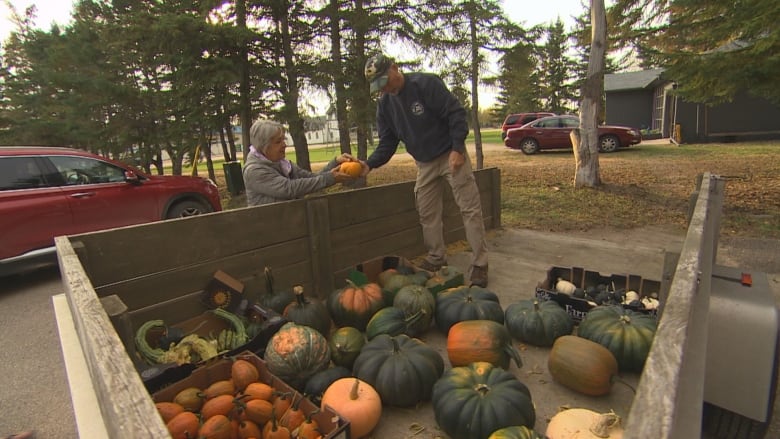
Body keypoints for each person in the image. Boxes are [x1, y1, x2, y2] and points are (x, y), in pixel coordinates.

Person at [361, 53, 489, 287]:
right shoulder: (385, 106)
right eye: (379, 86)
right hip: (425, 163)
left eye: (385, 81)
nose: (385, 88)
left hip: (451, 155)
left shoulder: (426, 84)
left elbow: (456, 114)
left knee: (470, 208)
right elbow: (387, 143)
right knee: (427, 212)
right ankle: (436, 258)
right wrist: (369, 164)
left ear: (395, 68)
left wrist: (458, 148)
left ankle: (480, 264)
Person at [242, 119, 357, 206]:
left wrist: (336, 162)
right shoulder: (254, 171)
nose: (284, 144)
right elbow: (289, 188)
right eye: (278, 142)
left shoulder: (283, 164)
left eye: (283, 139)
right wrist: (330, 178)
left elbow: (313, 178)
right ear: (263, 147)